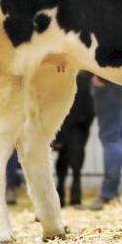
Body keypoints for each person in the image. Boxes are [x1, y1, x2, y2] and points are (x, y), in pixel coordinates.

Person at [80, 76, 122, 210]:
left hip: (109, 82)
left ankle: (109, 194)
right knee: (119, 133)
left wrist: (102, 77)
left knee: (110, 135)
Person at [54, 71, 95, 206]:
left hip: (68, 127)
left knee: (64, 162)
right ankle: (74, 198)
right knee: (73, 163)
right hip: (75, 128)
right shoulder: (81, 79)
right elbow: (90, 111)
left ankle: (63, 197)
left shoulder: (66, 79)